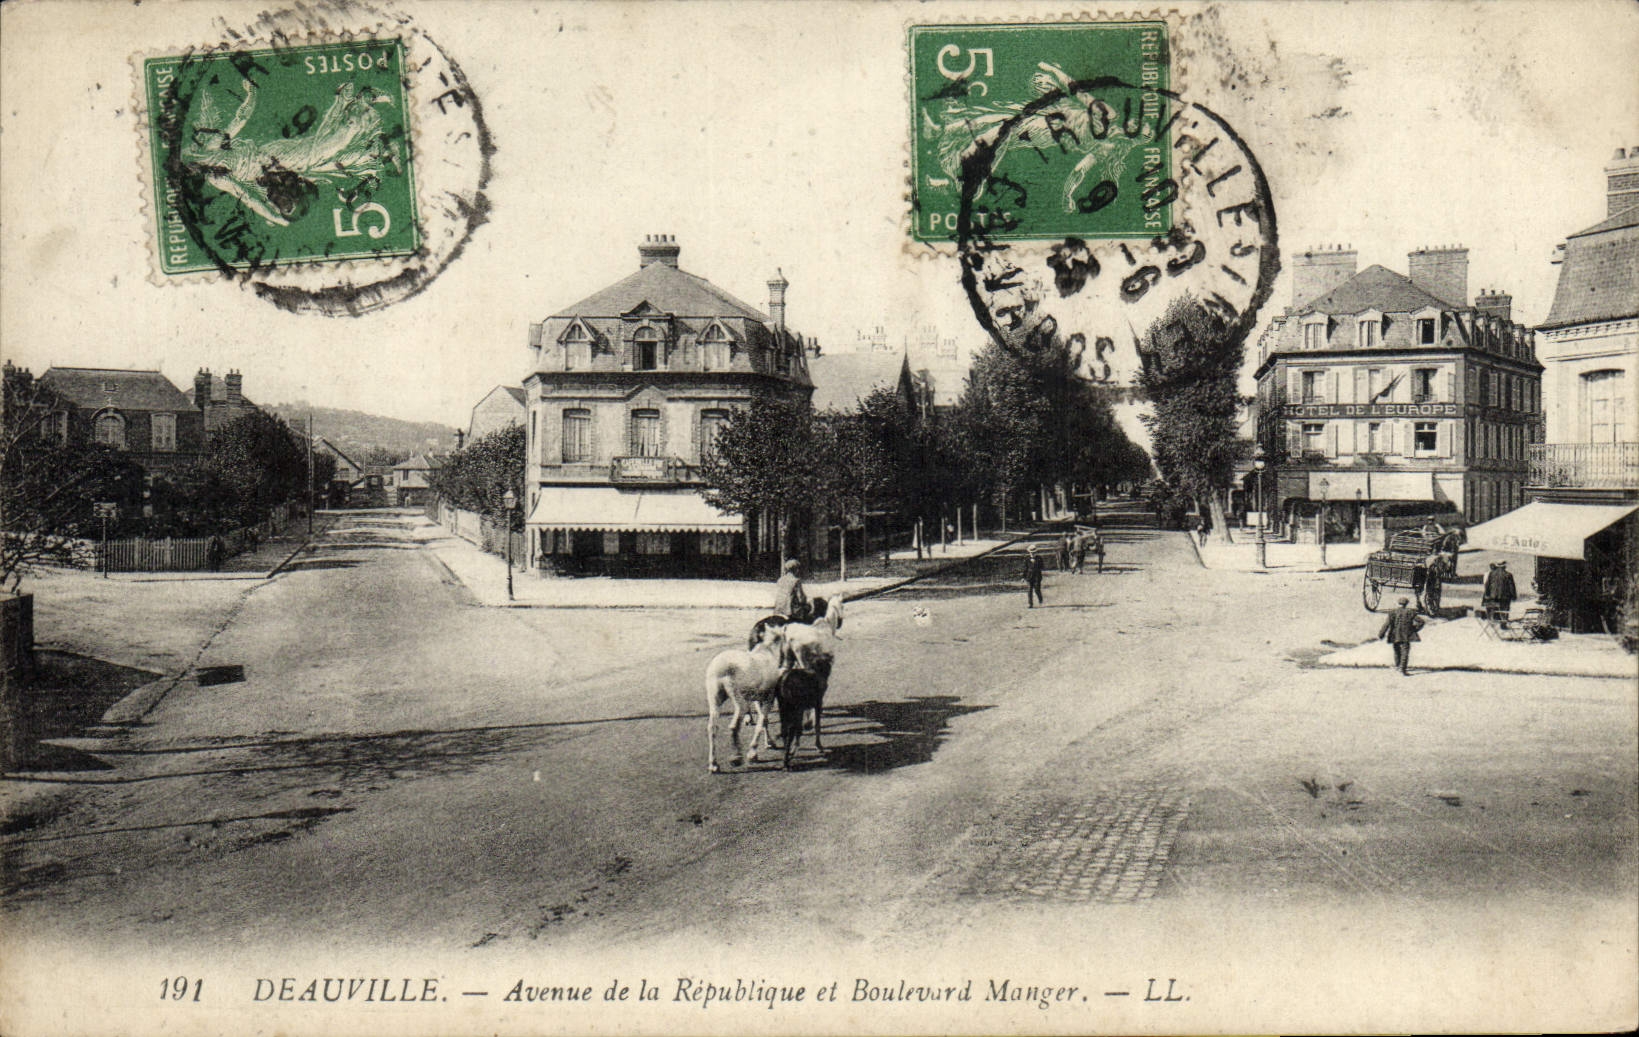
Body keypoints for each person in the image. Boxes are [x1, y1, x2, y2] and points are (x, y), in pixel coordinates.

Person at [1379, 596, 1426, 676]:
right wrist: (1414, 629)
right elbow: (1421, 622)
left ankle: (1398, 666)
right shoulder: (1410, 612)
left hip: (1395, 635)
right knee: (1405, 652)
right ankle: (1402, 669)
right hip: (1406, 635)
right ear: (1406, 604)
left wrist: (1381, 634)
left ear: (1398, 603)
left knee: (1397, 651)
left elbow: (1386, 624)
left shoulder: (1393, 612)